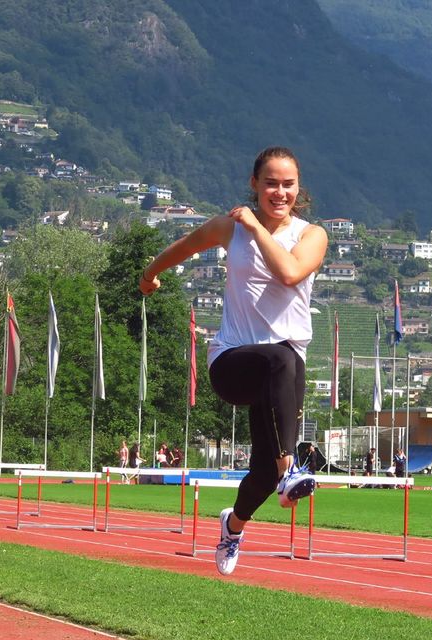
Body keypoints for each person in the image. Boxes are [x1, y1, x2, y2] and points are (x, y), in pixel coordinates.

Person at [139, 146, 325, 575]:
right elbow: (186, 244)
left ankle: (233, 524)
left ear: (299, 188)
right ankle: (290, 468)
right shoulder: (230, 228)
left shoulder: (311, 235)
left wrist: (257, 228)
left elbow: (291, 273)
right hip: (234, 362)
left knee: (260, 474)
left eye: (288, 184)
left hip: (283, 372)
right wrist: (149, 274)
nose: (280, 192)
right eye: (271, 183)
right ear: (254, 184)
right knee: (281, 358)